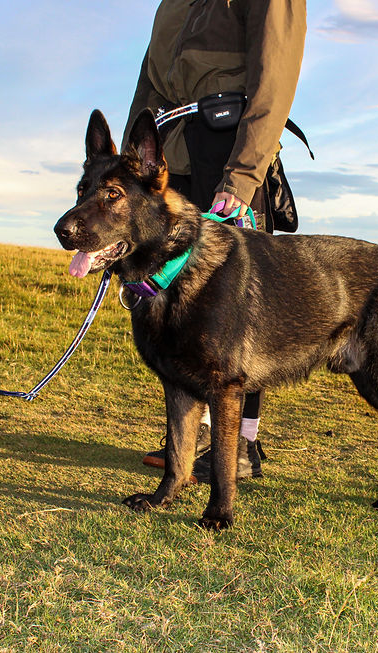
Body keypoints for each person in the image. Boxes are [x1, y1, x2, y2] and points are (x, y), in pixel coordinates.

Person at [122, 0, 307, 483]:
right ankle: (190, 438)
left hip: (229, 146)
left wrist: (243, 176)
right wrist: (125, 173)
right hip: (172, 155)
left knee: (237, 308)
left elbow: (275, 78)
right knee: (177, 304)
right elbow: (149, 81)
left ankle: (243, 445)